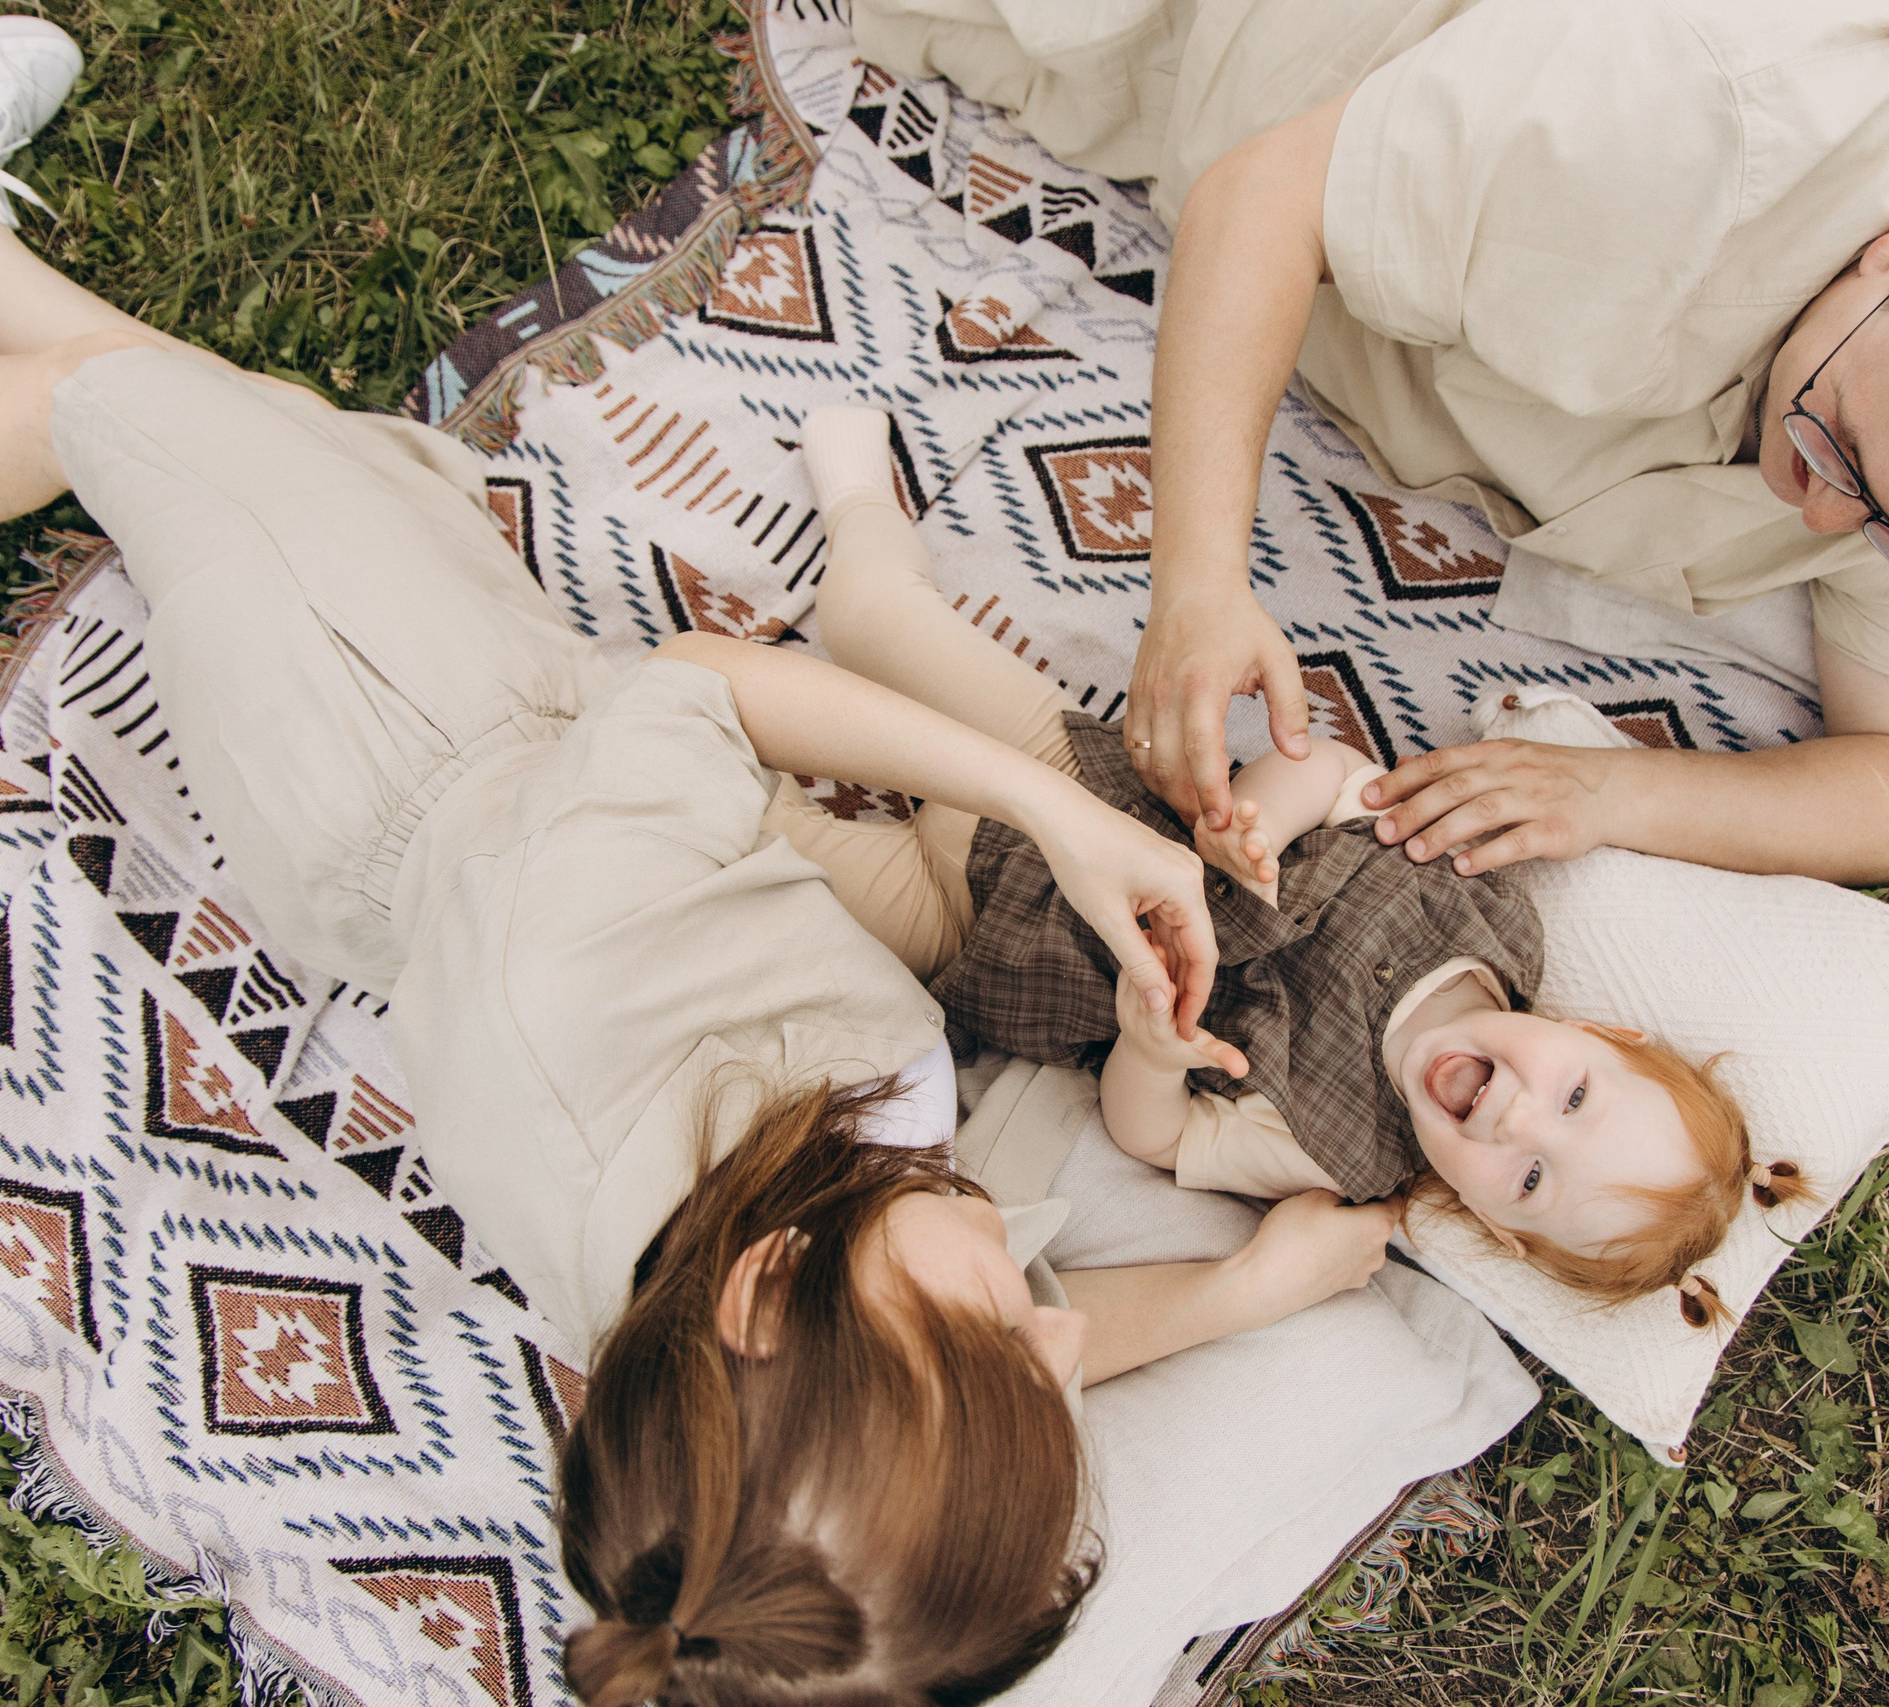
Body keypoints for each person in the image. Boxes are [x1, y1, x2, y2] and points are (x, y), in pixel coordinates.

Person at [0, 21, 1408, 1703]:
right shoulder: (761, 1369)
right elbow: (1025, 1362)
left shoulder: (600, 1004)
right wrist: (1235, 1296)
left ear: (768, 1292)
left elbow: (700, 692)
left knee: (108, 416)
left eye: (1014, 1346)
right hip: (512, 775)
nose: (1063, 1330)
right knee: (236, 437)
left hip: (391, 715)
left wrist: (1058, 807)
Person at [852, 0, 1889, 885]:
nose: (1817, 526)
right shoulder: (1682, 123)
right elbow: (1259, 198)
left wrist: (1614, 789)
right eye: (1835, 445)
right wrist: (1198, 581)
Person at [774, 407, 1820, 1325]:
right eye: (1577, 1096)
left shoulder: (1340, 1156)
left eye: (1532, 1178)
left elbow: (1156, 1139)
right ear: (1603, 1033)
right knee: (872, 617)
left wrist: (1149, 1050)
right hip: (1066, 778)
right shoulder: (1486, 902)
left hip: (985, 937)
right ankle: (863, 503)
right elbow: (1328, 769)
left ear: (1495, 1225)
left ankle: (650, 722)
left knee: (757, 834)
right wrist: (1257, 829)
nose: (1514, 1119)